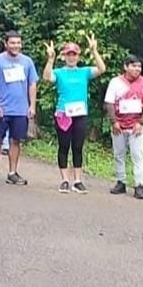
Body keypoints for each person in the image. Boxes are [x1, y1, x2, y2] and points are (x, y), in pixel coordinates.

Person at [42, 34, 106, 194]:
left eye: (74, 54)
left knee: (78, 146)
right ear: (64, 56)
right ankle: (64, 180)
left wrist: (94, 51)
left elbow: (101, 69)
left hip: (80, 114)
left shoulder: (84, 72)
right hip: (63, 113)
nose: (71, 57)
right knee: (64, 146)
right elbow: (47, 77)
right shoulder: (59, 72)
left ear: (78, 56)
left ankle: (77, 180)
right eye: (69, 54)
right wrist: (50, 59)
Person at [0, 30, 39, 186]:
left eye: (18, 43)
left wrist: (32, 105)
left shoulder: (27, 62)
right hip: (2, 109)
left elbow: (32, 84)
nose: (16, 46)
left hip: (20, 109)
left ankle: (12, 172)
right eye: (12, 43)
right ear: (5, 44)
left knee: (16, 141)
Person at [105, 55, 143, 200]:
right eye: (133, 66)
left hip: (136, 126)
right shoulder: (116, 82)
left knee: (137, 156)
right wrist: (114, 121)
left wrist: (141, 122)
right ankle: (121, 182)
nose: (137, 69)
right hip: (119, 125)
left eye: (139, 66)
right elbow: (109, 103)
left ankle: (139, 185)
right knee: (119, 154)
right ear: (126, 67)